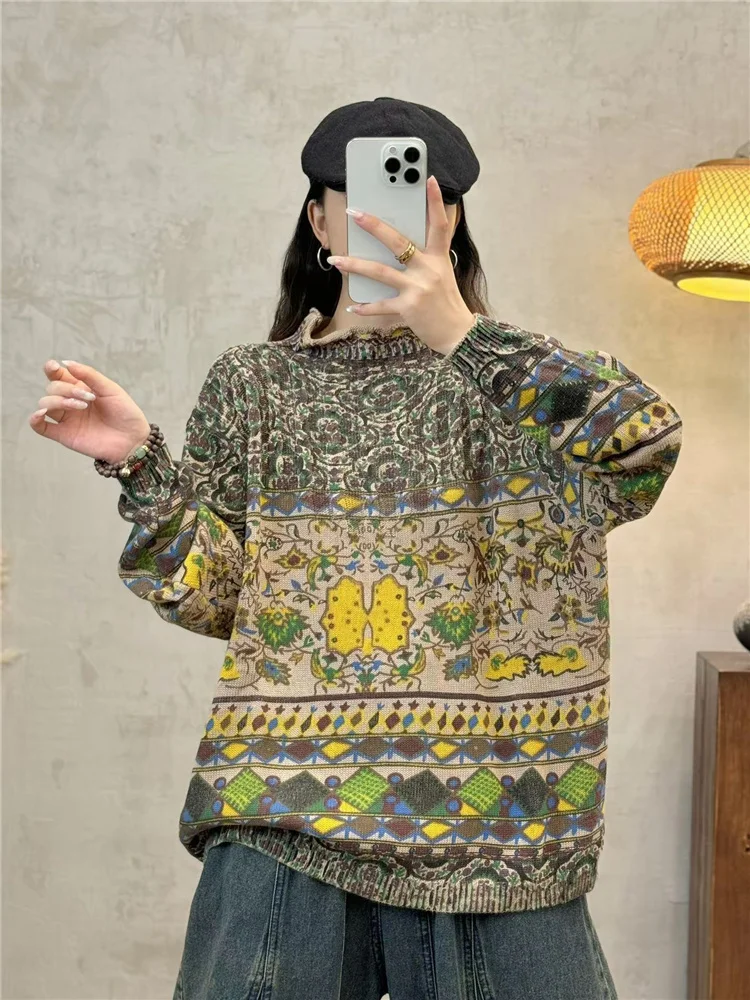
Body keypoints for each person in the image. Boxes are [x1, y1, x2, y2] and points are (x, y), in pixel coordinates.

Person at [29, 97, 682, 1000]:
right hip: (281, 810)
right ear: (318, 217)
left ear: (449, 220)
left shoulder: (519, 386)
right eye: (359, 195)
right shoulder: (253, 385)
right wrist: (140, 466)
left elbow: (645, 446)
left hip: (499, 821)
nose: (387, 218)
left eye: (417, 197)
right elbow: (219, 600)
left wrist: (464, 337)